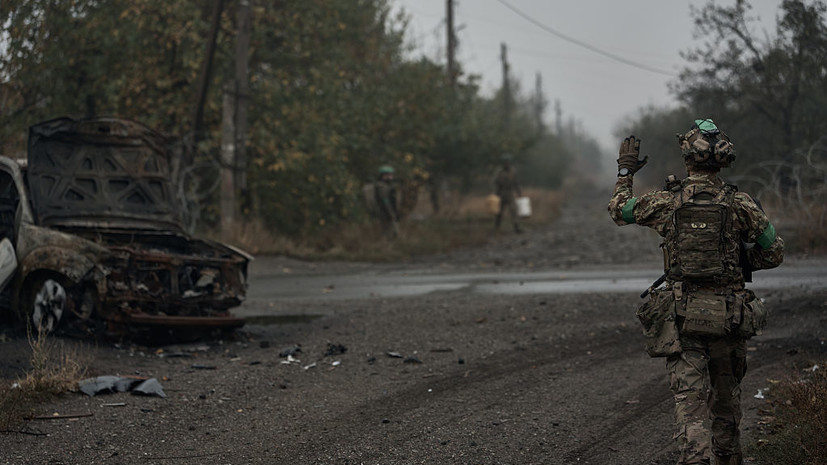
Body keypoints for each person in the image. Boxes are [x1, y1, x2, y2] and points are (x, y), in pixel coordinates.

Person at [607, 119, 784, 465]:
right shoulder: (742, 204)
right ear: (722, 161)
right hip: (729, 319)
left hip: (683, 318)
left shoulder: (666, 202)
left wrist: (626, 171)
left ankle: (696, 458)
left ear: (687, 159)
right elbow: (774, 251)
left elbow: (619, 210)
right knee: (726, 405)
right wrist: (739, 261)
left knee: (689, 406)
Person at [493, 154, 523, 233]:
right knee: (499, 211)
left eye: (508, 162)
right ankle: (497, 227)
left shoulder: (513, 171)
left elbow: (516, 182)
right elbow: (495, 182)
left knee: (514, 209)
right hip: (501, 193)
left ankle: (516, 227)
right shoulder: (499, 172)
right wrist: (496, 193)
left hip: (510, 193)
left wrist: (519, 191)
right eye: (506, 162)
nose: (507, 163)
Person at [375, 165, 399, 238]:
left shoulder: (389, 185)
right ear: (383, 176)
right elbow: (385, 201)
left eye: (391, 175)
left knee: (393, 232)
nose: (390, 177)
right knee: (389, 232)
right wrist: (391, 213)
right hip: (385, 213)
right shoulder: (381, 186)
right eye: (388, 175)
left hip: (388, 212)